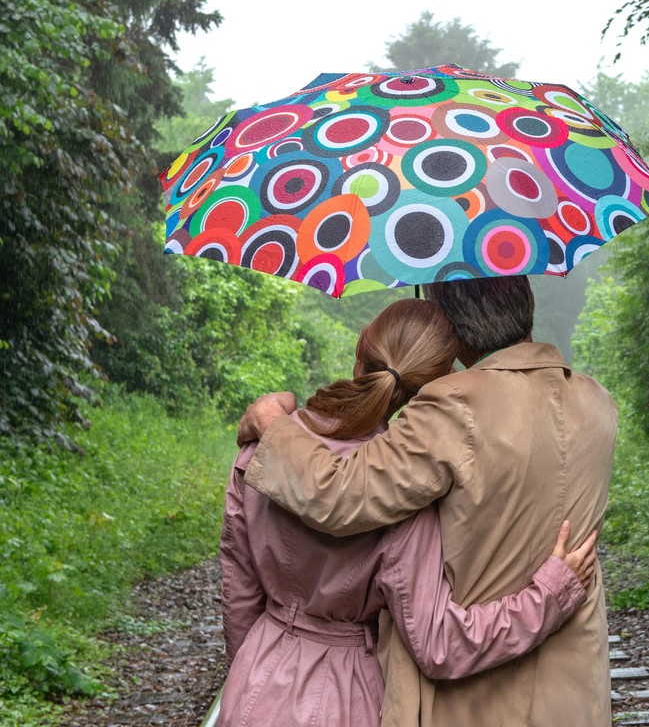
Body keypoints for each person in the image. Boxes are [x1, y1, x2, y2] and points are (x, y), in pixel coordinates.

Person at [237, 276, 618, 726]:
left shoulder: (454, 405)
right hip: (572, 685)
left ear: (450, 329)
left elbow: (338, 494)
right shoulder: (598, 402)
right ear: (527, 300)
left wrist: (272, 424)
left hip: (478, 694)